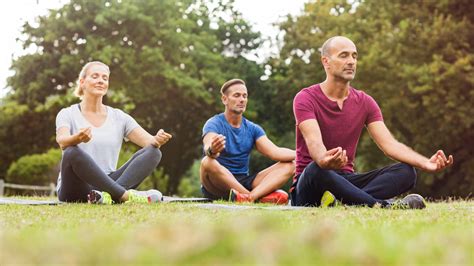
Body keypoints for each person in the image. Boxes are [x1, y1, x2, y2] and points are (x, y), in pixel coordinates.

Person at [291, 36, 454, 208]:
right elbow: (314, 142)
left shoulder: (365, 102)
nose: (351, 62)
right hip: (311, 184)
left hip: (346, 180)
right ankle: (383, 206)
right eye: (344, 55)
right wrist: (324, 159)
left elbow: (390, 145)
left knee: (407, 172)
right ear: (326, 61)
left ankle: (346, 201)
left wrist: (425, 163)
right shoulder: (305, 98)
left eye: (354, 56)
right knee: (317, 170)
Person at [56, 61, 172, 204]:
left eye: (105, 78)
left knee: (154, 152)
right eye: (95, 76)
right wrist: (77, 138)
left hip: (110, 182)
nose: (100, 81)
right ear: (82, 82)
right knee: (71, 152)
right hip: (75, 188)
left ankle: (108, 196)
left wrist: (158, 140)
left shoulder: (119, 117)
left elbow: (150, 143)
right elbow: (62, 142)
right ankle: (123, 196)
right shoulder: (67, 113)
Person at [200, 79, 295, 205]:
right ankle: (252, 197)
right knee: (207, 162)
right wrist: (212, 149)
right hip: (216, 184)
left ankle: (249, 197)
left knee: (290, 165)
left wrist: (306, 153)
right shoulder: (214, 123)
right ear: (224, 99)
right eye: (237, 95)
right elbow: (208, 148)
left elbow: (275, 152)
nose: (242, 99)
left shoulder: (253, 129)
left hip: (243, 181)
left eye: (245, 96)